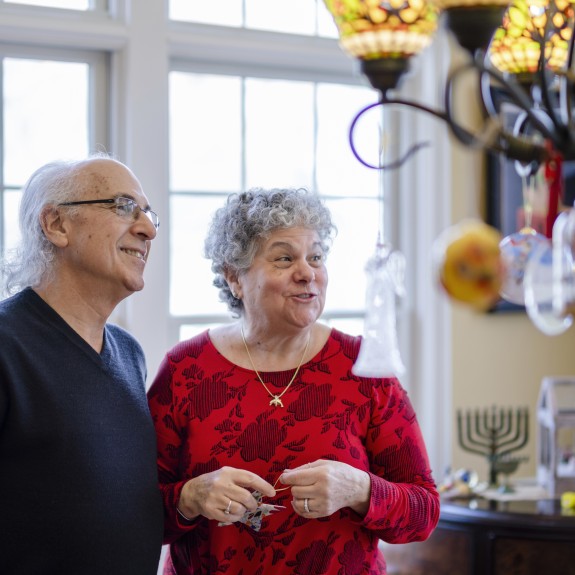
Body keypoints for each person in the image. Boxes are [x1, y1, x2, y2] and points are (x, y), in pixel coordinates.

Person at [147, 188, 440, 575]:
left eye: (315, 257)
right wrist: (191, 497)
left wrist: (360, 490)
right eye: (285, 258)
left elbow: (424, 511)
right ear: (234, 277)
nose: (307, 272)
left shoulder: (365, 367)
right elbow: (138, 515)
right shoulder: (186, 369)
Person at [0, 155, 164, 574]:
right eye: (124, 206)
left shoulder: (129, 353)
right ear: (56, 225)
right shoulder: (6, 347)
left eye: (148, 214)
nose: (147, 228)